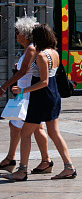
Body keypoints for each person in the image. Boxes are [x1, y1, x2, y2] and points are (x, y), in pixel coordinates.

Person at [8, 24, 76, 181]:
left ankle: (22, 171)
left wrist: (23, 90)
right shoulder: (54, 53)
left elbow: (44, 81)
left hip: (41, 98)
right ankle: (69, 167)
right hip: (53, 95)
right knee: (54, 133)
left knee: (25, 133)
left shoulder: (41, 56)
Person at [0, 17, 51, 175]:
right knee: (26, 127)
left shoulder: (31, 49)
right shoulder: (29, 48)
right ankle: (41, 160)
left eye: (18, 32)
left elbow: (24, 71)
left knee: (30, 128)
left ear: (25, 33)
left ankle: (19, 162)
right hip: (25, 94)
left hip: (27, 94)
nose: (16, 35)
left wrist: (4, 86)